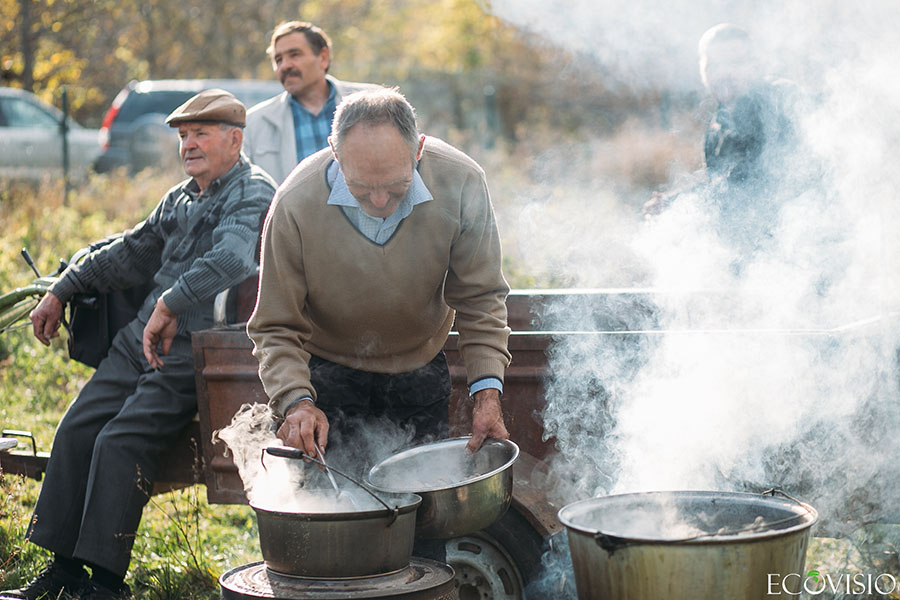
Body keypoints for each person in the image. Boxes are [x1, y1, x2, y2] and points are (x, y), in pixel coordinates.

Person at [3, 90, 276, 600]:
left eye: (201, 134)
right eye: (183, 136)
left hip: (196, 349)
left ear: (235, 139)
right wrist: (61, 290)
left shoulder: (253, 191)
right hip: (141, 341)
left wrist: (170, 304)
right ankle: (65, 571)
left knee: (120, 441)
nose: (189, 145)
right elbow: (129, 252)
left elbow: (235, 258)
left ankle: (105, 584)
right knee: (77, 429)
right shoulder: (180, 197)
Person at [247, 88, 511, 464]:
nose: (380, 202)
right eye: (362, 189)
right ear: (336, 154)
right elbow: (275, 326)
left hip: (419, 366)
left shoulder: (462, 181)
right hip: (326, 373)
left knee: (422, 502)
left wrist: (486, 395)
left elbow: (481, 298)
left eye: (395, 186)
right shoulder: (295, 202)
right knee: (333, 508)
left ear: (418, 149)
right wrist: (297, 402)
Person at [643, 23, 805, 224]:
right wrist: (669, 203)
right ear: (702, 69)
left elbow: (751, 180)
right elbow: (719, 180)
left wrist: (679, 204)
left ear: (756, 65)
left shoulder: (780, 100)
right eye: (713, 65)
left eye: (734, 63)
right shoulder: (719, 122)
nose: (722, 74)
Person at [243, 20, 379, 185]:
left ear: (323, 58)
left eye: (294, 55)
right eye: (278, 60)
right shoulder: (253, 124)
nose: (285, 66)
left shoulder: (375, 102)